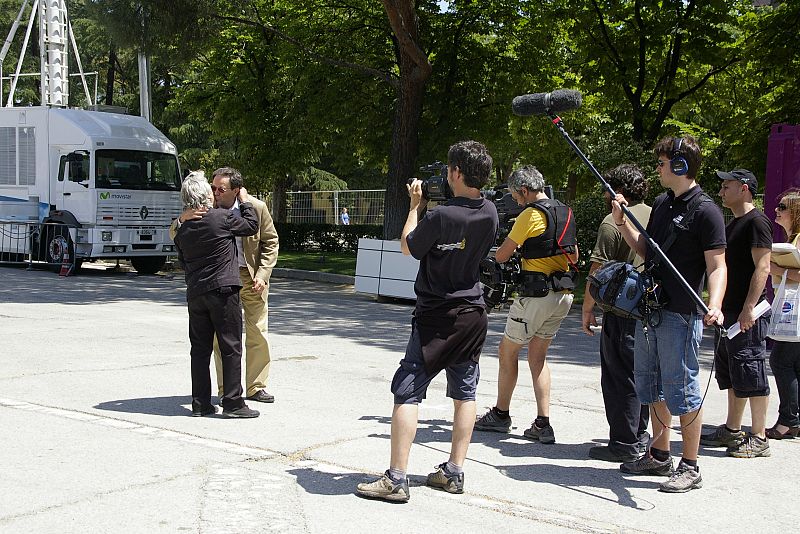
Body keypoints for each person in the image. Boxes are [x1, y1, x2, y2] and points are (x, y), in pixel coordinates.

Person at [355, 140, 499, 503]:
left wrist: (415, 206)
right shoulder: (491, 212)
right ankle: (454, 471)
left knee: (407, 390)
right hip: (472, 312)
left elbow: (408, 246)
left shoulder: (439, 216)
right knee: (465, 392)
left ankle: (396, 479)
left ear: (457, 173)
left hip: (436, 315)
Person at [612, 135, 726, 493]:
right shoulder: (662, 203)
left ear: (680, 165)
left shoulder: (707, 210)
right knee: (652, 384)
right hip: (652, 308)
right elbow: (647, 250)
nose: (657, 168)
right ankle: (659, 456)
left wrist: (717, 304)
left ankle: (690, 465)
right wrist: (621, 223)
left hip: (681, 313)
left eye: (662, 163)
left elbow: (718, 266)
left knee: (683, 389)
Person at [474, 165, 579, 444]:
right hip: (563, 295)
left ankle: (500, 414)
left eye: (516, 196)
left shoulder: (530, 215)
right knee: (538, 357)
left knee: (507, 350)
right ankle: (543, 423)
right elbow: (575, 254)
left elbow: (503, 255)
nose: (516, 202)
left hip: (537, 296)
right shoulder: (565, 211)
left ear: (524, 190)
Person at [173, 167, 280, 404]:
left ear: (236, 190)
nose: (215, 192)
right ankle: (226, 389)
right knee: (223, 338)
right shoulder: (203, 209)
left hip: (251, 277)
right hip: (221, 280)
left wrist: (263, 274)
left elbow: (270, 241)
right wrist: (182, 218)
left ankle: (256, 386)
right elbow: (175, 232)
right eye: (213, 187)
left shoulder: (257, 207)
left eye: (221, 189)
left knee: (257, 333)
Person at [582, 164, 651, 463]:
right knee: (643, 374)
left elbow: (597, 271)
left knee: (618, 377)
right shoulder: (656, 213)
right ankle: (641, 434)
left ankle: (624, 442)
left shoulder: (613, 221)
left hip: (621, 310)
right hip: (651, 309)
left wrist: (587, 308)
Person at [700, 169, 772, 458]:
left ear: (744, 188)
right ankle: (732, 429)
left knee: (751, 371)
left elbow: (763, 267)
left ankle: (759, 436)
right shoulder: (734, 224)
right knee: (733, 372)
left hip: (748, 314)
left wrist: (748, 309)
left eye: (726, 186)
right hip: (729, 312)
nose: (721, 192)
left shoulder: (757, 222)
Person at [766, 189, 800, 440]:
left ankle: (788, 420)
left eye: (783, 207)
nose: (777, 210)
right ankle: (793, 419)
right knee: (794, 365)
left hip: (795, 310)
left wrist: (778, 268)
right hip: (790, 307)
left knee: (780, 361)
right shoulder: (792, 239)